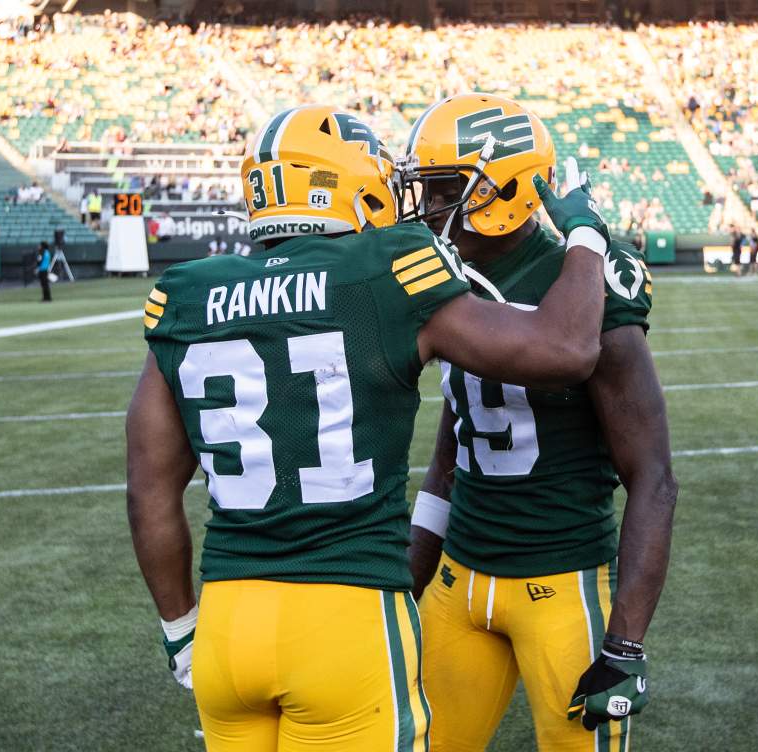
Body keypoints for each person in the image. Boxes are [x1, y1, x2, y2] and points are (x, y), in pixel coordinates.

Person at [125, 105, 612, 752]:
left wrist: (179, 625)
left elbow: (149, 490)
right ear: (344, 182)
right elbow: (567, 350)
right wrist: (585, 235)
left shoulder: (187, 291)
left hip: (227, 626)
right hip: (344, 614)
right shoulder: (384, 269)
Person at [402, 92, 677, 752]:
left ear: (503, 194)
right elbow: (451, 453)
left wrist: (626, 642)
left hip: (562, 585)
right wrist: (403, 587)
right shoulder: (447, 276)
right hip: (458, 579)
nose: (429, 208)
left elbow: (654, 477)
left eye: (444, 191)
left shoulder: (584, 285)